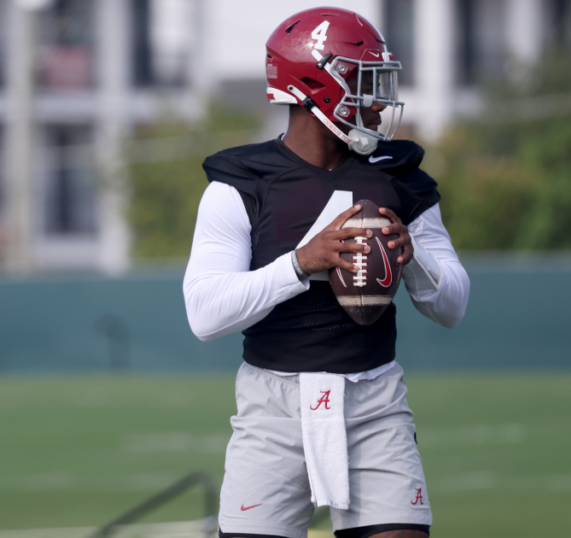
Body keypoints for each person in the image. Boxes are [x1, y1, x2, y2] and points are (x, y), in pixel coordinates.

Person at [183, 8, 469, 538]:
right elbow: (204, 314)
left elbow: (452, 306)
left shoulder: (400, 177)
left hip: (375, 400)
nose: (380, 102)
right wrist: (300, 264)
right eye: (365, 82)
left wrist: (416, 260)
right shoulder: (240, 182)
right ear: (318, 84)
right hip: (272, 408)